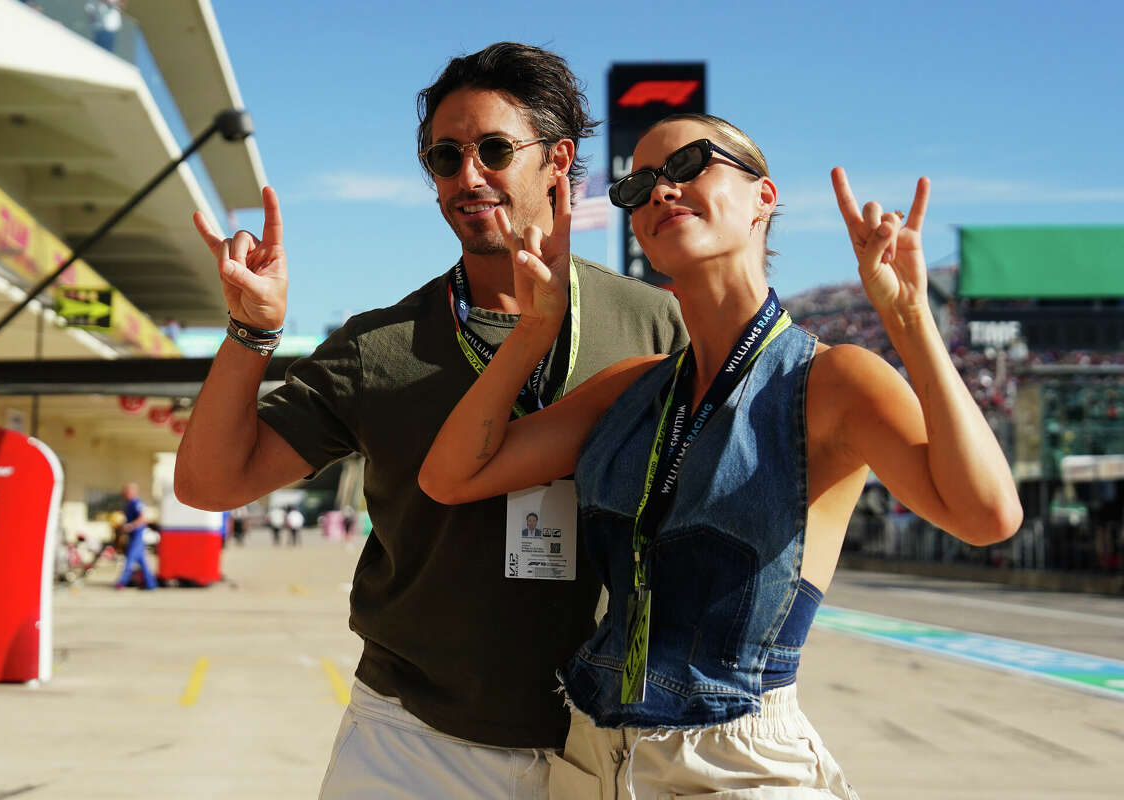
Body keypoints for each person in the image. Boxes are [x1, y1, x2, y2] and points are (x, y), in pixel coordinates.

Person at [419, 112, 1022, 798]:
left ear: (764, 197)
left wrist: (911, 320)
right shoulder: (632, 387)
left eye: (687, 166)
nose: (660, 192)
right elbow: (450, 477)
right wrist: (533, 332)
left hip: (736, 763)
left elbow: (988, 517)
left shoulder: (831, 381)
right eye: (639, 185)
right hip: (592, 755)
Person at [173, 42, 687, 798]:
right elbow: (211, 483)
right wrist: (252, 332)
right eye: (444, 157)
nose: (466, 175)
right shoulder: (379, 348)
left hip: (600, 747)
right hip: (412, 747)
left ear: (558, 161)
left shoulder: (656, 325)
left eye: (494, 149)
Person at [114, 482, 157, 591]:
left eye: (126, 491)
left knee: (129, 560)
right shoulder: (128, 504)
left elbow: (143, 518)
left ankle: (121, 582)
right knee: (142, 562)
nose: (124, 493)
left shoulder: (136, 502)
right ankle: (151, 584)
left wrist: (130, 526)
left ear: (132, 491)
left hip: (137, 536)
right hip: (132, 536)